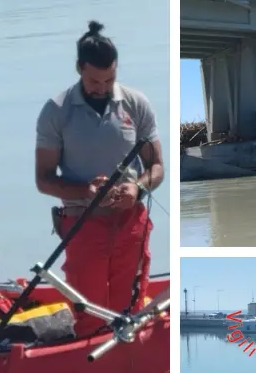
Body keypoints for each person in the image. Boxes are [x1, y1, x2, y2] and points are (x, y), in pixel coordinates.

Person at [35, 20, 164, 338]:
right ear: (79, 68)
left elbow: (157, 166)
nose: (103, 87)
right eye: (94, 80)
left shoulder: (136, 104)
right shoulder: (56, 111)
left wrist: (138, 186)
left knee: (128, 314)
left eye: (110, 79)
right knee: (90, 314)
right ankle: (89, 359)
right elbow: (44, 180)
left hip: (130, 222)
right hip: (82, 224)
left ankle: (131, 357)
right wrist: (85, 191)